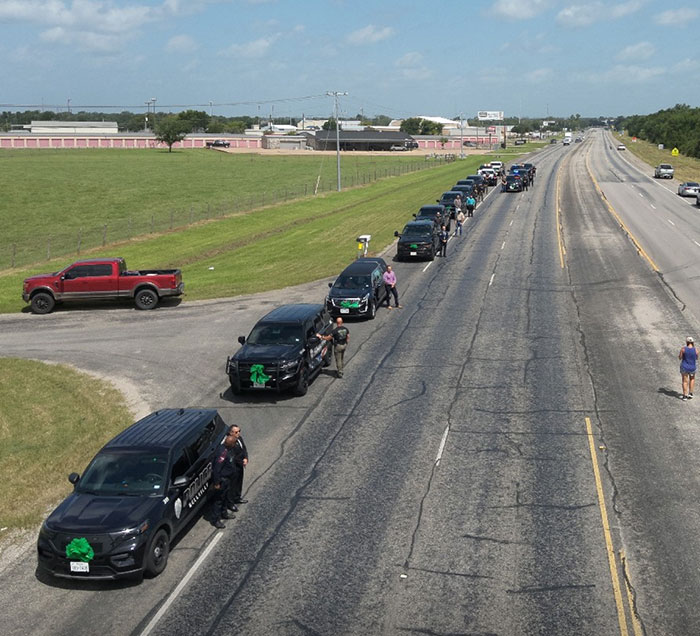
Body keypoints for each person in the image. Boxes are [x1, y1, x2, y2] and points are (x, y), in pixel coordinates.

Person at [208, 427, 240, 528]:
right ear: (229, 444)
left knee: (225, 498)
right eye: (233, 443)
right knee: (218, 500)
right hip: (222, 481)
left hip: (228, 479)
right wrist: (217, 483)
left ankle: (224, 513)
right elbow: (216, 469)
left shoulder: (229, 450)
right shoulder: (222, 453)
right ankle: (215, 519)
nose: (235, 445)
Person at [226, 425, 249, 510]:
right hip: (234, 467)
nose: (238, 433)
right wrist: (241, 461)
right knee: (232, 486)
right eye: (236, 432)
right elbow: (233, 457)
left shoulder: (239, 438)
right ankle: (230, 503)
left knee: (239, 482)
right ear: (231, 433)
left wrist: (246, 458)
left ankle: (237, 497)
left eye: (239, 431)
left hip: (240, 465)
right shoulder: (230, 443)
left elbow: (244, 449)